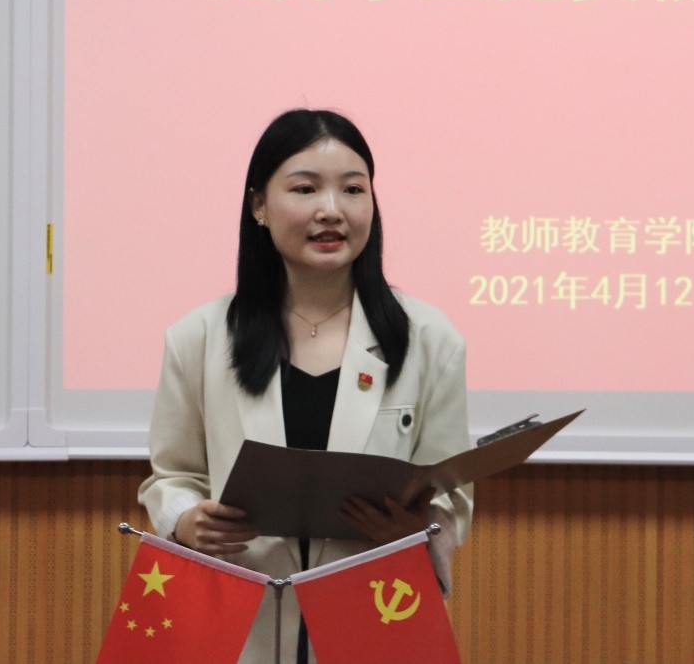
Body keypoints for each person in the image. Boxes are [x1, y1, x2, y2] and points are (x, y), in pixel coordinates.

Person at [138, 109, 473, 663]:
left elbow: (451, 494)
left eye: (353, 189)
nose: (331, 210)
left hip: (373, 611)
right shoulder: (199, 337)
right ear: (259, 206)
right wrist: (186, 520)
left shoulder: (430, 339)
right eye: (305, 189)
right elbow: (173, 475)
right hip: (240, 618)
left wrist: (421, 527)